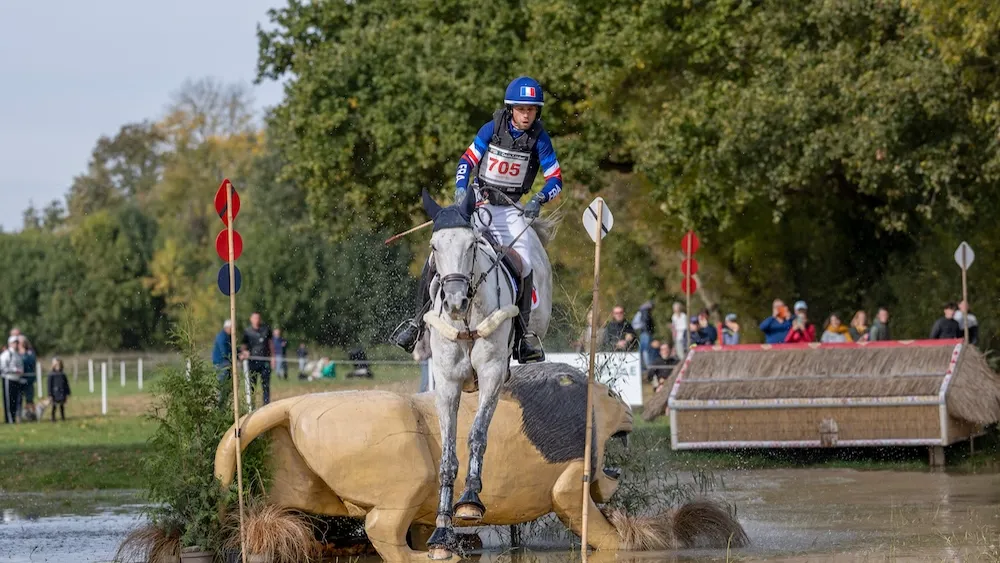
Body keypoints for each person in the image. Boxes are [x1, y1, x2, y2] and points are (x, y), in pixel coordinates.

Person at [391, 76, 561, 364]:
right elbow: (466, 161)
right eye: (522, 109)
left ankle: (523, 337)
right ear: (511, 110)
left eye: (532, 110)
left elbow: (555, 179)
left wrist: (539, 199)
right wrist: (461, 187)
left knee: (528, 262)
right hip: (479, 204)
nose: (526, 115)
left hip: (511, 210)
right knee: (440, 256)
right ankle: (417, 325)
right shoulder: (490, 129)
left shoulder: (540, 139)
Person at [241, 312, 273, 406]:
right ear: (251, 319)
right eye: (254, 318)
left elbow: (270, 344)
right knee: (252, 385)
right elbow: (243, 345)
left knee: (266, 385)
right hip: (252, 362)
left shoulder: (266, 329)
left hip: (265, 361)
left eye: (258, 318)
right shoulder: (247, 332)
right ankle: (252, 405)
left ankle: (266, 404)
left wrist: (273, 358)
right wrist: (244, 352)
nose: (256, 320)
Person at [1, 336, 24, 424]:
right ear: (10, 343)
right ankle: (9, 420)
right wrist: (14, 370)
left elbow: (20, 366)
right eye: (14, 342)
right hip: (8, 379)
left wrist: (20, 371)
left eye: (17, 342)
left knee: (15, 400)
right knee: (9, 400)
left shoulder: (17, 354)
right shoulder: (6, 354)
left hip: (17, 379)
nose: (16, 344)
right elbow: (3, 367)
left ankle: (14, 418)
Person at [212, 320, 234, 407]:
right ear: (228, 328)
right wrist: (238, 355)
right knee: (223, 388)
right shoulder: (222, 337)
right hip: (222, 365)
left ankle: (223, 408)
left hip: (225, 364)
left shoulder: (228, 336)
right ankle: (221, 409)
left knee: (228, 388)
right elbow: (225, 352)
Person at [632, 301, 656, 372]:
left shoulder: (642, 312)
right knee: (645, 350)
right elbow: (636, 324)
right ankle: (647, 367)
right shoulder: (644, 312)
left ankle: (642, 367)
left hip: (644, 333)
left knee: (643, 350)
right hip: (646, 333)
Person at [18, 336, 36, 421]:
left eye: (22, 342)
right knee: (18, 399)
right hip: (18, 380)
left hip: (29, 379)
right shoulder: (16, 353)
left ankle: (32, 416)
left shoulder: (30, 353)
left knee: (30, 399)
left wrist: (24, 354)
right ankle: (19, 416)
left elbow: (31, 363)